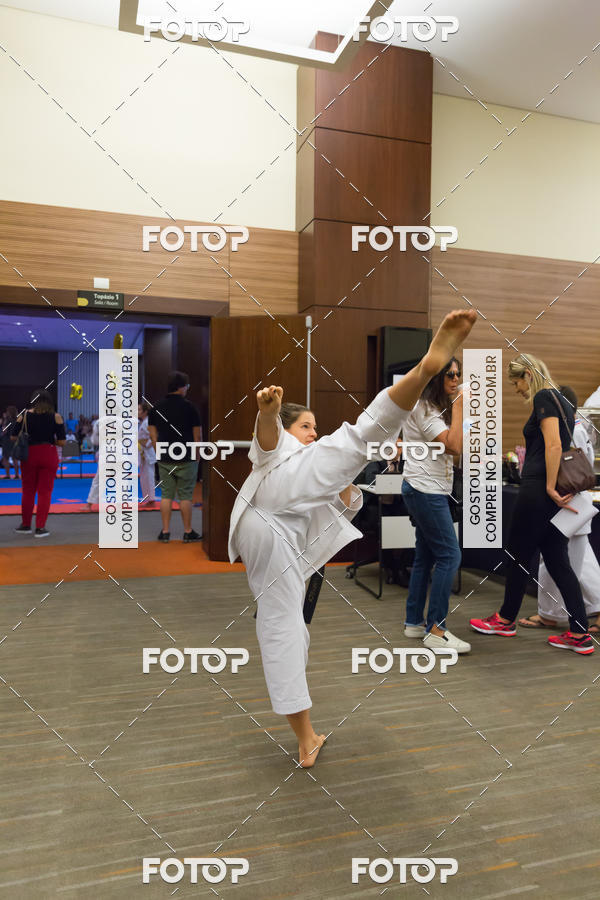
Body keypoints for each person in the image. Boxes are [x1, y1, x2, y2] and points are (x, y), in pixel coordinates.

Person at [229, 309, 477, 768]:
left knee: (286, 628)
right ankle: (425, 368)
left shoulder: (307, 465)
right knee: (358, 437)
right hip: (270, 513)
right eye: (305, 426)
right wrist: (267, 415)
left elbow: (341, 497)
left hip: (269, 531)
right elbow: (266, 441)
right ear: (288, 429)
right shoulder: (279, 451)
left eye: (313, 426)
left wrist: (355, 471)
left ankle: (305, 736)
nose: (313, 431)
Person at [470, 355, 594, 654]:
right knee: (557, 560)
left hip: (538, 489)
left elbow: (553, 444)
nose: (517, 390)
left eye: (516, 383)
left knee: (517, 555)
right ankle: (579, 633)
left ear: (528, 374)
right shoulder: (563, 401)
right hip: (547, 491)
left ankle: (505, 620)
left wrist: (549, 485)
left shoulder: (544, 396)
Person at [401, 358, 470, 653]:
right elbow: (453, 446)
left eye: (458, 374)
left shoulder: (433, 407)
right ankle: (436, 631)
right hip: (426, 490)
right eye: (449, 375)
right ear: (435, 378)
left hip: (427, 488)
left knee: (426, 556)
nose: (455, 379)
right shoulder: (426, 408)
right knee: (450, 556)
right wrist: (460, 405)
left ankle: (414, 622)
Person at [519, 385, 600, 632]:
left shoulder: (571, 430)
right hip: (570, 502)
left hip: (567, 502)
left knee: (568, 566)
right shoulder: (575, 428)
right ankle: (553, 615)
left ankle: (562, 620)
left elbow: (573, 467)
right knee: (571, 564)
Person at [147, 371, 202, 542]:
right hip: (186, 456)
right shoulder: (190, 407)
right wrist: (197, 455)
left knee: (166, 495)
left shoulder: (156, 408)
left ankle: (165, 532)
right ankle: (187, 531)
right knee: (185, 496)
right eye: (187, 386)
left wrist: (159, 451)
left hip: (165, 456)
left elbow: (152, 435)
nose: (187, 389)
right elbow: (197, 436)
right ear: (181, 387)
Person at [13, 390, 66, 537]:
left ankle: (25, 525)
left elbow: (13, 437)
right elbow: (62, 442)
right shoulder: (56, 417)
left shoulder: (23, 415)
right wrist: (49, 440)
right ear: (50, 401)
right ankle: (40, 528)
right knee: (45, 492)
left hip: (29, 455)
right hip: (48, 454)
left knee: (28, 491)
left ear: (33, 400)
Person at [138, 401, 157, 505]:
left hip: (148, 453)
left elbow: (154, 436)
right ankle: (148, 499)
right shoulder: (143, 422)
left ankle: (151, 499)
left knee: (149, 477)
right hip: (143, 453)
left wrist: (146, 443)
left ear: (145, 411)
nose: (137, 411)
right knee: (144, 477)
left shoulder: (148, 422)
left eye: (139, 409)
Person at [1, 406, 20, 479]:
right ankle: (17, 475)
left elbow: (4, 430)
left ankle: (8, 475)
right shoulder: (17, 420)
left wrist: (5, 419)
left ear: (9, 412)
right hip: (14, 440)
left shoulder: (8, 420)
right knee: (15, 458)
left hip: (7, 441)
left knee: (6, 458)